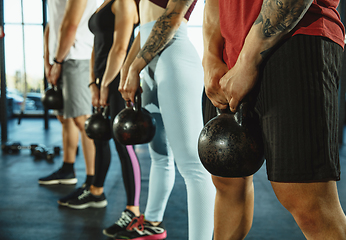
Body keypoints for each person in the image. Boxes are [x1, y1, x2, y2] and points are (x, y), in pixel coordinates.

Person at [202, 0, 346, 239]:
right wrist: (211, 56)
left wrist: (247, 61)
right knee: (227, 183)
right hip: (228, 59)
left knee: (309, 203)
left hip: (295, 34)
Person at [115, 0, 216, 239]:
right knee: (159, 155)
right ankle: (150, 223)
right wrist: (127, 68)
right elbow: (145, 28)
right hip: (149, 58)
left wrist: (134, 68)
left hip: (173, 57)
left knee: (193, 166)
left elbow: (172, 17)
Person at [57, 0, 142, 238]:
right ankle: (96, 191)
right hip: (101, 81)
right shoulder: (105, 3)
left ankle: (133, 211)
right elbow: (97, 47)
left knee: (124, 145)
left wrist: (105, 84)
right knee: (100, 136)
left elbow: (120, 47)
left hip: (118, 80)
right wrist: (93, 82)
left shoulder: (124, 3)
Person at [39, 0, 97, 192]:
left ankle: (92, 182)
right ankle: (67, 169)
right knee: (65, 118)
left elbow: (71, 26)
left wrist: (57, 61)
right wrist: (48, 59)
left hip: (77, 56)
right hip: (60, 57)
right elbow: (52, 24)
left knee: (83, 120)